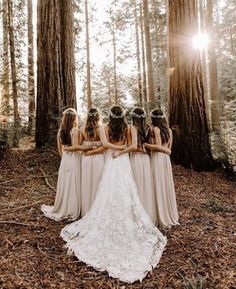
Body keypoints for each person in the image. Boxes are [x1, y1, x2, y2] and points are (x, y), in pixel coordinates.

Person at [60, 105, 167, 283]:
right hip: (122, 159)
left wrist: (115, 151)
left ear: (110, 116)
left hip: (113, 158)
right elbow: (130, 145)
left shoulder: (107, 128)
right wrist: (122, 150)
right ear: (122, 116)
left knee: (112, 189)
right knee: (124, 189)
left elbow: (106, 145)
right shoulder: (128, 127)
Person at [41, 108, 91, 221]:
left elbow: (60, 148)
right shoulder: (75, 131)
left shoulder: (61, 131)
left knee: (66, 182)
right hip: (74, 158)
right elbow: (76, 147)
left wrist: (63, 157)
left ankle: (65, 205)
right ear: (73, 118)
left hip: (65, 159)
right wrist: (88, 148)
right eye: (76, 117)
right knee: (75, 181)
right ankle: (73, 208)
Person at [112, 107, 157, 222]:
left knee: (136, 186)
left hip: (135, 159)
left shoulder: (132, 128)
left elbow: (133, 146)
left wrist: (120, 152)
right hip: (146, 159)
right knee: (146, 185)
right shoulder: (148, 128)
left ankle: (136, 216)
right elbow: (148, 146)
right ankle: (148, 214)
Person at [64, 108, 106, 216]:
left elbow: (78, 146)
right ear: (97, 117)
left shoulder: (82, 129)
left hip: (86, 159)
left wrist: (86, 150)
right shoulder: (101, 129)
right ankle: (98, 211)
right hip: (99, 158)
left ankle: (87, 211)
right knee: (98, 183)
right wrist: (94, 149)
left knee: (86, 183)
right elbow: (104, 147)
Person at [145, 109, 179, 228]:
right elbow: (169, 148)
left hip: (157, 158)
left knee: (157, 183)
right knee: (165, 183)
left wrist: (145, 144)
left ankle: (160, 215)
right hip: (166, 160)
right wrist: (166, 151)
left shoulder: (156, 129)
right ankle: (168, 212)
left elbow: (158, 146)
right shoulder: (169, 130)